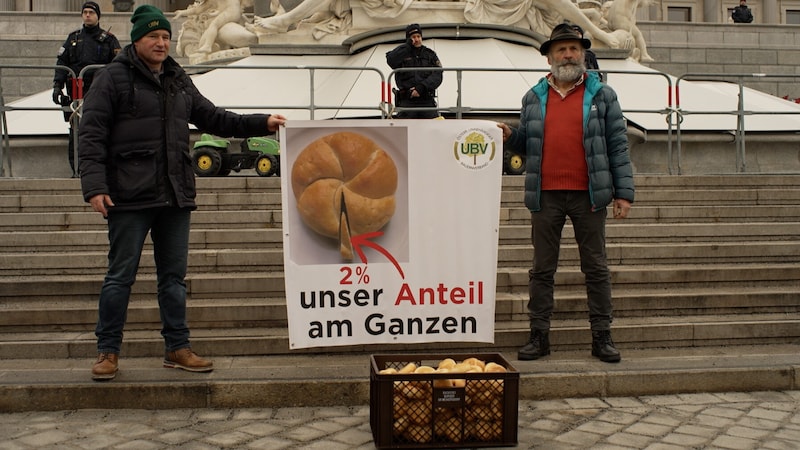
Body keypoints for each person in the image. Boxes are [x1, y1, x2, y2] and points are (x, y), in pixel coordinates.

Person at [78, 5, 287, 381]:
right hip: (128, 197)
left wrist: (263, 122)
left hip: (175, 195)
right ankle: (107, 351)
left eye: (165, 38)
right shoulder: (111, 79)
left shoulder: (177, 78)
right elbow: (90, 136)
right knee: (119, 277)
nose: (161, 43)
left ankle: (177, 347)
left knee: (173, 278)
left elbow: (214, 117)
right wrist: (94, 187)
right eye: (153, 37)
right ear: (136, 40)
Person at [497, 23, 634, 363]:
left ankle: (602, 337)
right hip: (546, 195)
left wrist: (624, 193)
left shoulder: (603, 95)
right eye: (561, 49)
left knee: (596, 268)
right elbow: (529, 142)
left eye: (574, 48)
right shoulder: (533, 97)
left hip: (590, 195)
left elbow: (618, 146)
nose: (569, 54)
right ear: (549, 58)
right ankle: (539, 336)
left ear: (583, 54)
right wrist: (509, 136)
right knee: (542, 269)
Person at [52, 1, 121, 177]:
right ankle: (76, 169)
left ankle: (102, 169)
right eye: (85, 12)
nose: (88, 15)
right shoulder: (73, 38)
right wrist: (57, 86)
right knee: (75, 131)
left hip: (99, 91)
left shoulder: (109, 39)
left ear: (98, 16)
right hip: (75, 93)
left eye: (91, 12)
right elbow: (62, 63)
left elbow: (118, 66)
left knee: (101, 129)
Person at [385, 23, 443, 119]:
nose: (416, 39)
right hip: (407, 100)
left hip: (426, 99)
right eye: (413, 37)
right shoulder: (401, 53)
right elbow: (391, 60)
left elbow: (438, 74)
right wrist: (407, 46)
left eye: (418, 36)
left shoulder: (430, 54)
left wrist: (422, 87)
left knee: (433, 128)